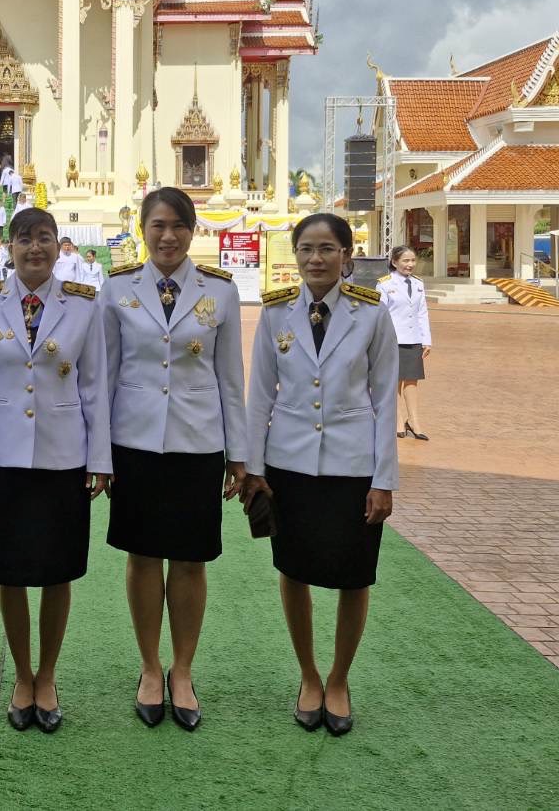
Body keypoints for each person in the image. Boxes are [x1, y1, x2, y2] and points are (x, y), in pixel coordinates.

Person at [236, 212, 397, 737]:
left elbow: (384, 400)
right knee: (295, 568)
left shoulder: (371, 314)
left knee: (355, 575)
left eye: (327, 249)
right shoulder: (277, 312)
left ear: (347, 257)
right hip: (291, 464)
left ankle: (339, 678)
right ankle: (308, 675)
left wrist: (383, 479)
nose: (316, 259)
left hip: (353, 466)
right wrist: (254, 469)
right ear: (295, 255)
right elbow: (259, 396)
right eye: (306, 249)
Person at [0, 208, 110, 734]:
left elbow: (94, 385)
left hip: (62, 456)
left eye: (44, 239)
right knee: (10, 571)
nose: (34, 249)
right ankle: (22, 674)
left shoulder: (84, 306)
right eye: (24, 240)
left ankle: (48, 674)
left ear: (57, 244)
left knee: (57, 571)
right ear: (9, 246)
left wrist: (99, 459)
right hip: (1, 460)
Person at [102, 188, 246, 732]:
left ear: (193, 231)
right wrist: (102, 456)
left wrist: (240, 457)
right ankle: (148, 666)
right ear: (143, 229)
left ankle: (182, 670)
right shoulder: (117, 290)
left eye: (179, 226)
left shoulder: (220, 293)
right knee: (142, 558)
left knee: (189, 561)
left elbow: (231, 380)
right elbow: (104, 377)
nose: (168, 236)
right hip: (135, 444)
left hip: (197, 443)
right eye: (158, 225)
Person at [378, 246, 432, 441]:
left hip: (413, 338)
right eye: (405, 261)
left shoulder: (418, 284)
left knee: (411, 381)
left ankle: (414, 420)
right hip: (393, 340)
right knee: (394, 382)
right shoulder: (384, 284)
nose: (410, 265)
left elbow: (422, 312)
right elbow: (380, 315)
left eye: (413, 261)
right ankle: (397, 419)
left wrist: (426, 339)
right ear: (394, 262)